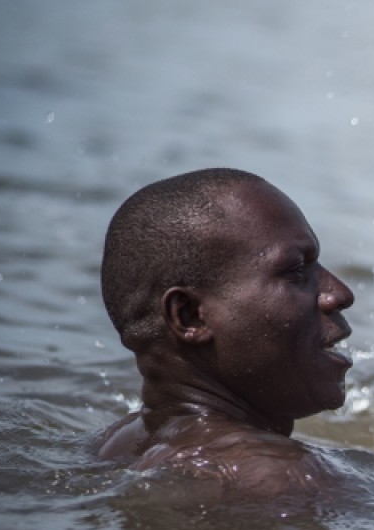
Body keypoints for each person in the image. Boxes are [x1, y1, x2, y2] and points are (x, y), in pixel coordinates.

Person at [96, 168, 356, 498]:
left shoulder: (117, 444)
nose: (340, 294)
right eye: (295, 271)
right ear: (190, 317)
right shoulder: (276, 477)